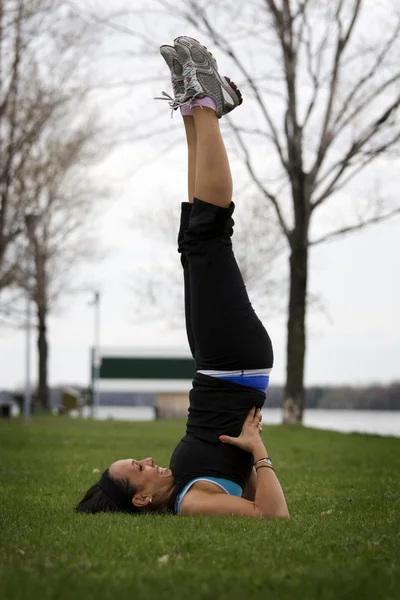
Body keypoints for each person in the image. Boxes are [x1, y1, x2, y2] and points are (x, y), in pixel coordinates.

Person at [76, 37, 289, 519]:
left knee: (194, 242)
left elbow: (238, 481)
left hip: (216, 366)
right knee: (210, 237)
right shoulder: (192, 503)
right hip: (231, 364)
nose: (147, 459)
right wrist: (258, 451)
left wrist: (247, 455)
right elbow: (272, 517)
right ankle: (205, 100)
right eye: (139, 467)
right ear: (141, 497)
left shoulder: (185, 486)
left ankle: (198, 106)